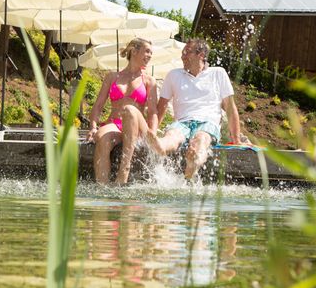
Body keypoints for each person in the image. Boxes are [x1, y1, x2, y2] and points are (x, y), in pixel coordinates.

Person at [147, 38, 241, 180]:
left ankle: (189, 176)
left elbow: (230, 107)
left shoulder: (218, 73)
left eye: (187, 52)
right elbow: (162, 107)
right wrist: (153, 132)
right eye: (183, 52)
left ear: (201, 55)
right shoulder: (174, 75)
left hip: (208, 123)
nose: (182, 56)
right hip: (182, 122)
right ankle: (160, 146)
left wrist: (237, 140)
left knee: (200, 140)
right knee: (172, 135)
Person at [86, 38, 158, 185]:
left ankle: (124, 172)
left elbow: (153, 112)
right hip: (115, 123)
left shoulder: (149, 81)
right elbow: (98, 105)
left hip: (136, 126)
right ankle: (102, 187)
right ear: (134, 50)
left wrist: (153, 134)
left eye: (151, 52)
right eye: (147, 51)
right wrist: (93, 127)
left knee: (129, 110)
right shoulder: (112, 77)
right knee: (102, 138)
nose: (150, 55)